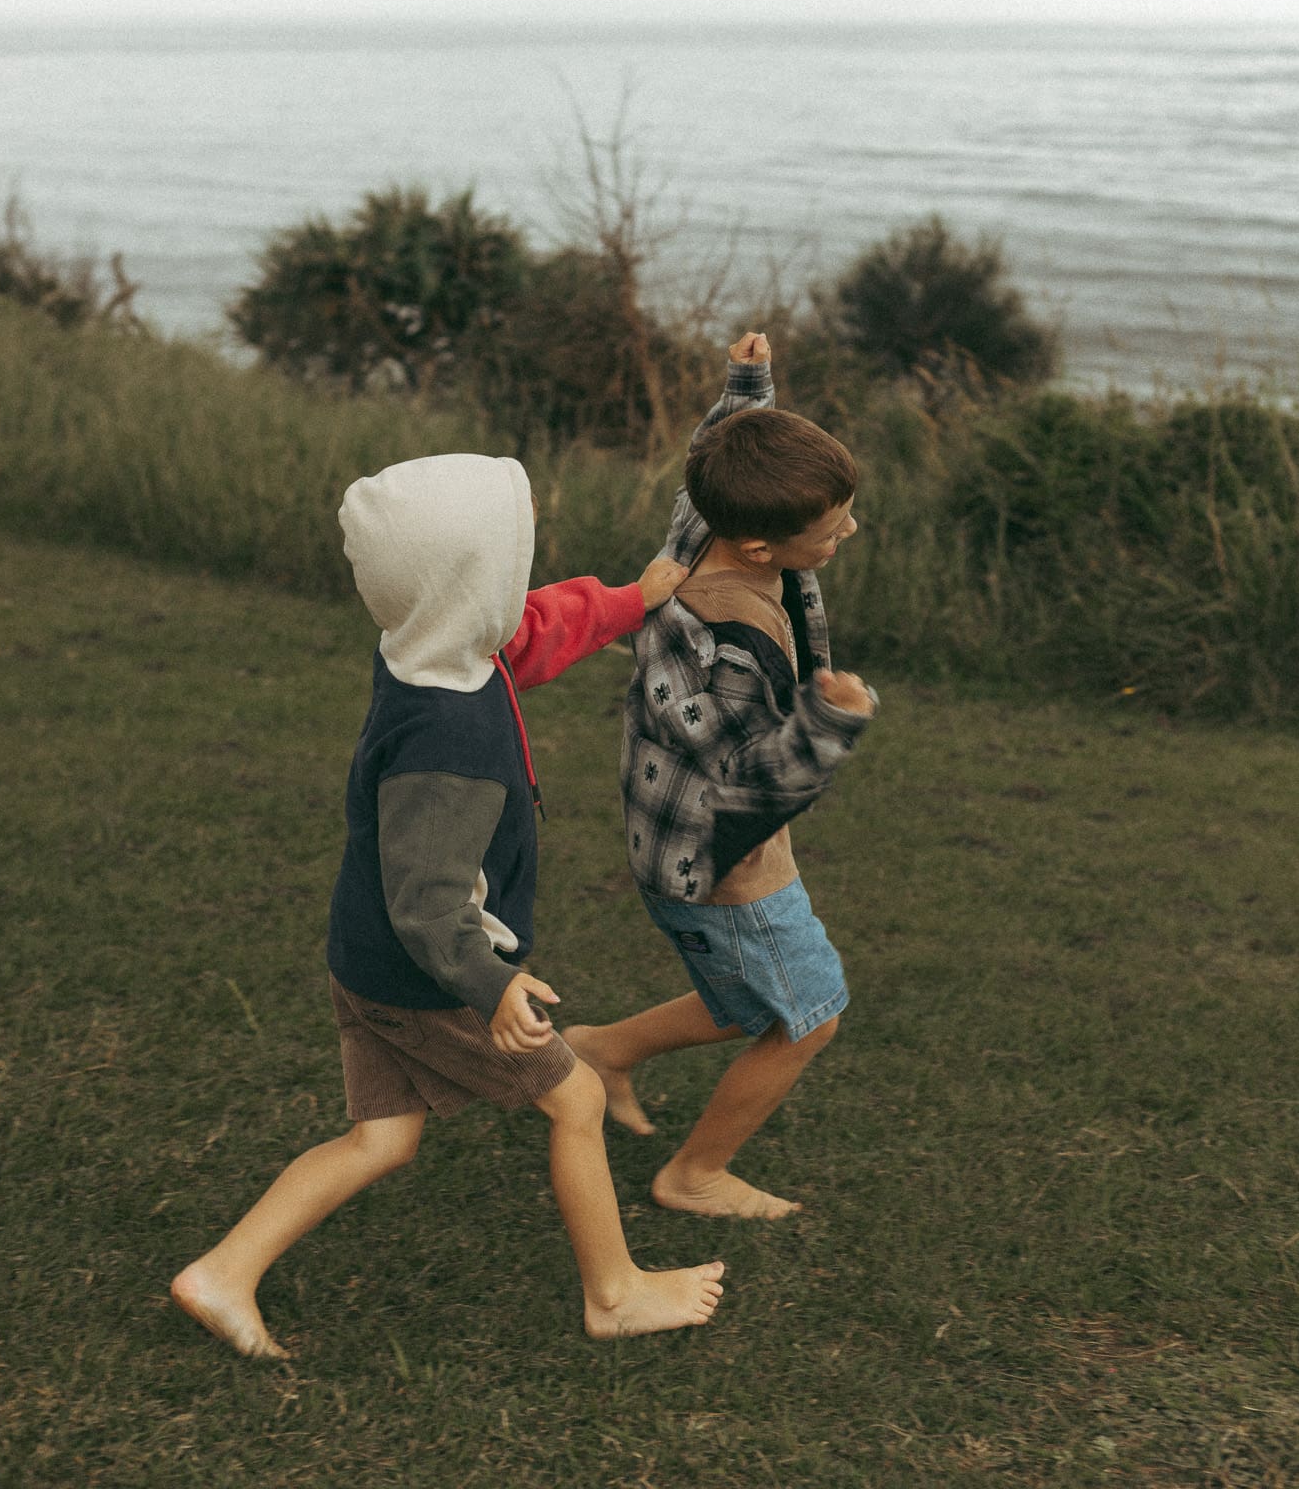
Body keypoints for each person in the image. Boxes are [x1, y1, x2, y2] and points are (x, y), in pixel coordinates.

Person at [171, 452, 725, 1355]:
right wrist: (491, 985)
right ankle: (615, 1293)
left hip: (366, 960)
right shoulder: (453, 739)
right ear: (474, 584)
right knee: (576, 1098)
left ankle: (222, 1274)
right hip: (429, 976)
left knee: (381, 1140)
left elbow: (534, 629)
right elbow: (429, 903)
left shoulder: (430, 652)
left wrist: (631, 598)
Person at [567, 332, 876, 1221]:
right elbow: (757, 782)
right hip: (722, 860)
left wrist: (747, 393)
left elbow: (711, 467)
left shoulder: (703, 531)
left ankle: (598, 1050)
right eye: (830, 529)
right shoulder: (728, 653)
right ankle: (693, 1175)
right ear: (755, 546)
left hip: (669, 833)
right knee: (808, 1013)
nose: (846, 531)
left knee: (741, 997)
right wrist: (831, 719)